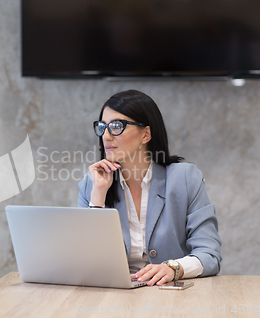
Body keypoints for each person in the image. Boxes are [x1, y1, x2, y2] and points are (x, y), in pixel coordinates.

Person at [78, 90, 222, 286]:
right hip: (114, 295)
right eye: (103, 127)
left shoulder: (185, 178)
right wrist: (98, 196)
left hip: (172, 294)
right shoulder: (92, 184)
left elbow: (210, 254)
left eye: (116, 126)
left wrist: (173, 269)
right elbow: (84, 262)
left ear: (145, 134)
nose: (106, 136)